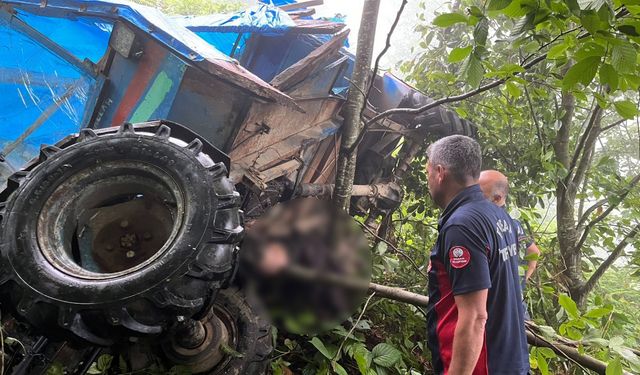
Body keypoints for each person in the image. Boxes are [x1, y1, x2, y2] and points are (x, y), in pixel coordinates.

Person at [425, 135, 529, 375]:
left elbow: (475, 317)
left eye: (428, 172)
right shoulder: (498, 216)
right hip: (509, 361)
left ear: (440, 172)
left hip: (482, 366)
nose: (428, 179)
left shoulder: (462, 226)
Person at [478, 170, 541, 287]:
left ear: (497, 198)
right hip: (515, 295)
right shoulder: (514, 224)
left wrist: (524, 278)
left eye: (480, 195)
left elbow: (535, 252)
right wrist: (523, 279)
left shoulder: (487, 224)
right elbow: (534, 251)